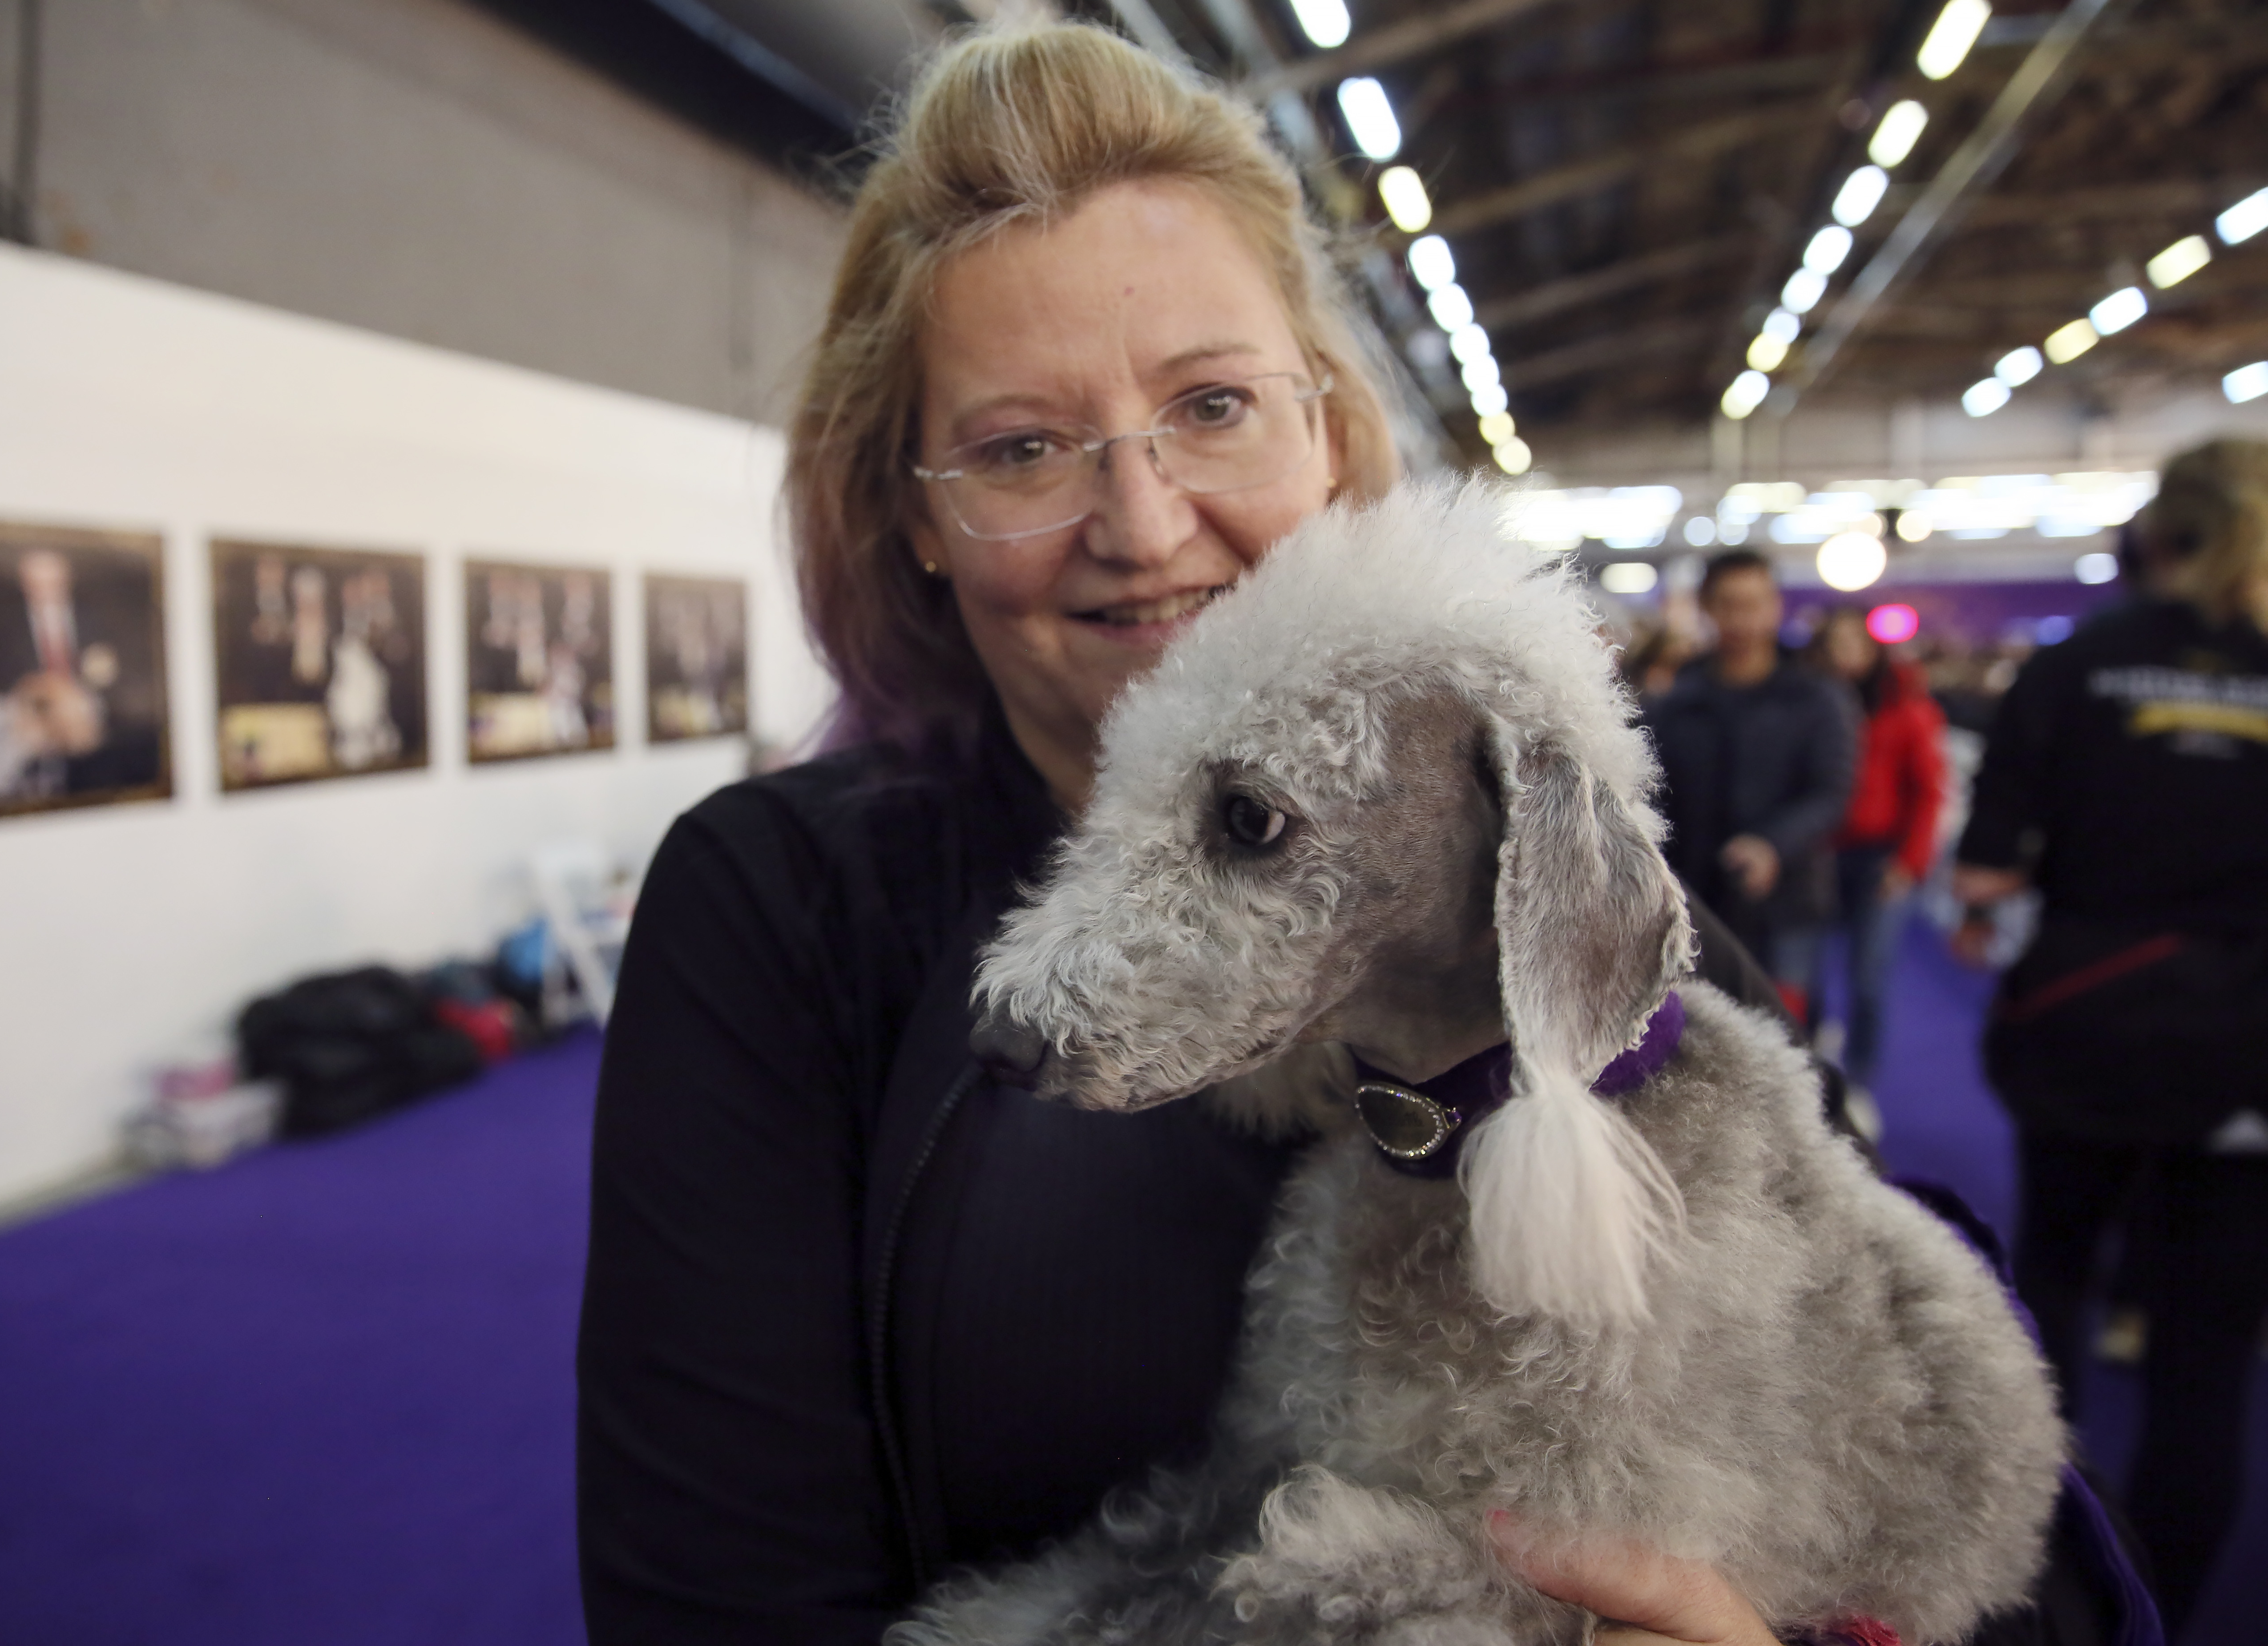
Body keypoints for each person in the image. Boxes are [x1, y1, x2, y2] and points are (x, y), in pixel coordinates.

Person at [575, 24, 2125, 1646]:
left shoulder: (1555, 894)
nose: (1145, 522)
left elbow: (1949, 1501)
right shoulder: (786, 906)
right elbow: (717, 1598)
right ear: (910, 514)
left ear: (1327, 432)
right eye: (1020, 446)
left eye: (1213, 404)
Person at [1953, 437, 2268, 1639]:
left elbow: (1982, 867)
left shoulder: (2075, 667)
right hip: (2245, 1057)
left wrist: (1993, 912)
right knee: (2205, 1358)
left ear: (2154, 534)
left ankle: (2054, 1594)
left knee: (2047, 1296)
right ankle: (2172, 1616)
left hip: (2083, 1032)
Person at [1643, 551, 1858, 1003]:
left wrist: (1772, 844)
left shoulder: (1816, 699)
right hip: (1693, 899)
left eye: (1753, 604)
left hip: (1787, 901)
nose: (1741, 619)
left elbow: (1829, 793)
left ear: (1775, 606)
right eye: (1728, 604)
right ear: (1706, 607)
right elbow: (1655, 794)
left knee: (1788, 1033)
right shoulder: (1677, 703)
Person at [1789, 607, 1946, 1093]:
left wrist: (1910, 864)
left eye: (1852, 642)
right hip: (1814, 855)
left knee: (1867, 979)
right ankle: (1806, 1074)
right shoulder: (1805, 706)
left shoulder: (1908, 709)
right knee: (1803, 976)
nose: (1843, 653)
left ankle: (1858, 1081)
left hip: (1882, 859)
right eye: (1833, 643)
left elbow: (1929, 792)